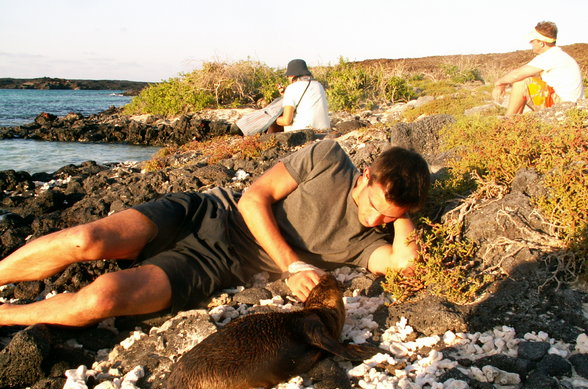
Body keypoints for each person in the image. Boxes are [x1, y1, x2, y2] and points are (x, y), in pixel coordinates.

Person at [0, 139, 430, 327]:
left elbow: (404, 265)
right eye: (375, 206)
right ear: (365, 175)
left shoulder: (369, 242)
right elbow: (253, 198)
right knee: (85, 241)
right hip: (206, 211)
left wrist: (402, 212)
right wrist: (293, 265)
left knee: (101, 298)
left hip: (216, 264)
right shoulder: (329, 158)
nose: (376, 221)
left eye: (387, 220)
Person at [492, 21, 584, 116]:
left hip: (564, 107)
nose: (530, 42)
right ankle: (514, 120)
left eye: (533, 40)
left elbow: (517, 74)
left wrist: (499, 83)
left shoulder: (551, 56)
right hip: (571, 107)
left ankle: (507, 121)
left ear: (541, 43)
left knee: (522, 82)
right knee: (527, 82)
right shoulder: (559, 55)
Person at [271, 59, 330, 132]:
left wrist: (275, 120)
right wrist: (285, 95)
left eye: (288, 76)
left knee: (276, 122)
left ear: (292, 75)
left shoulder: (291, 88)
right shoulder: (319, 85)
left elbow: (287, 121)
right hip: (325, 130)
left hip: (304, 133)